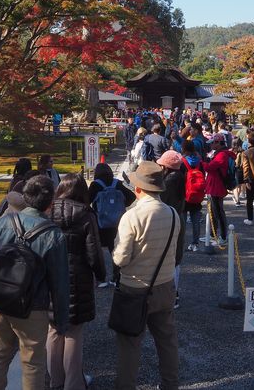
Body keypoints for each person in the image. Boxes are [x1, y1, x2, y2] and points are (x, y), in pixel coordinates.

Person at [0, 175, 69, 390]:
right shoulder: (53, 234)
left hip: (0, 299)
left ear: (25, 196)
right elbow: (59, 282)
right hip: (34, 305)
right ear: (51, 203)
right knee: (32, 363)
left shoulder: (3, 222)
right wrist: (60, 318)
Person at [112, 161, 180, 390]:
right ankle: (170, 384)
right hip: (165, 283)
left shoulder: (131, 217)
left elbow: (120, 259)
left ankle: (126, 386)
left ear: (138, 188)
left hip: (135, 287)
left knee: (129, 344)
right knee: (167, 341)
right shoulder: (172, 213)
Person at [47, 174, 106, 390]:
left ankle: (56, 380)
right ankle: (74, 383)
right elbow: (94, 252)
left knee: (53, 329)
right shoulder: (85, 214)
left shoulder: (48, 210)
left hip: (51, 275)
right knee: (73, 331)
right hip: (77, 276)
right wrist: (101, 275)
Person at [89, 163, 136, 287]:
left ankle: (102, 278)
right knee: (115, 249)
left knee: (98, 251)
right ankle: (117, 277)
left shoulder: (95, 185)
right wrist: (120, 206)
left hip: (101, 223)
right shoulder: (117, 183)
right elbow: (132, 196)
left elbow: (87, 201)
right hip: (118, 223)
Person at [157, 150, 186, 308]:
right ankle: (174, 293)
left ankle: (171, 294)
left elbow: (161, 202)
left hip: (169, 219)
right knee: (176, 258)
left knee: (169, 258)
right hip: (178, 218)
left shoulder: (168, 182)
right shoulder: (180, 177)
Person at [203, 133, 235, 245]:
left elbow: (210, 167)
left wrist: (202, 162)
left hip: (217, 186)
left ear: (217, 143)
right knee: (213, 211)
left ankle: (223, 236)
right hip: (214, 185)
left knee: (218, 212)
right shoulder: (220, 153)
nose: (210, 145)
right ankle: (213, 234)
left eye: (212, 143)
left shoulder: (222, 155)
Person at [181, 140, 205, 251]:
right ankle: (195, 243)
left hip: (185, 194)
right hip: (197, 194)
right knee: (196, 220)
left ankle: (181, 243)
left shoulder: (183, 162)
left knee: (183, 220)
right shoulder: (199, 161)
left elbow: (180, 178)